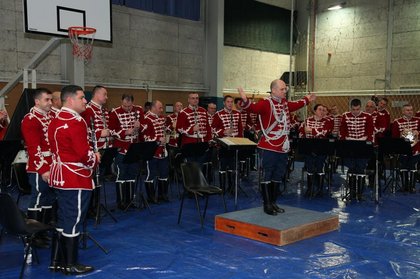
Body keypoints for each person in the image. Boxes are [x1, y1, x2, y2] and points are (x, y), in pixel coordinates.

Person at [238, 79, 316, 215]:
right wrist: (245, 100)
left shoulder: (285, 104)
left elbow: (296, 104)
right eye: (282, 89)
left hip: (283, 146)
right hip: (269, 145)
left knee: (278, 175)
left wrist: (307, 99)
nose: (285, 91)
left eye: (285, 89)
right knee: (267, 175)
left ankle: (273, 202)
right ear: (273, 90)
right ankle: (267, 204)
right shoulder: (266, 103)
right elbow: (253, 108)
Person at [48, 85, 100, 274]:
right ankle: (70, 264)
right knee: (74, 219)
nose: (85, 101)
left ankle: (57, 260)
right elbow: (82, 154)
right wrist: (95, 158)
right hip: (74, 178)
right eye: (81, 97)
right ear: (70, 100)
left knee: (63, 219)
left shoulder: (55, 119)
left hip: (60, 177)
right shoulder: (76, 122)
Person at [21, 88, 56, 247]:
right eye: (47, 100)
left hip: (52, 164)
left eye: (51, 99)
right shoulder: (30, 119)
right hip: (38, 167)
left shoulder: (50, 117)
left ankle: (44, 230)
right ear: (37, 102)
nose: (50, 102)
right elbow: (34, 149)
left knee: (48, 198)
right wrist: (43, 169)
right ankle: (33, 236)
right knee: (38, 198)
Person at [81, 85, 113, 215]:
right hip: (94, 151)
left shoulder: (104, 111)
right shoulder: (88, 110)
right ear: (97, 94)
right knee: (92, 180)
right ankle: (89, 208)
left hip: (105, 149)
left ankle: (95, 205)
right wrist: (100, 133)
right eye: (104, 94)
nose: (106, 97)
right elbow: (84, 132)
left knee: (99, 180)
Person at [109, 94, 144, 210]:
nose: (128, 108)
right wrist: (125, 132)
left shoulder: (138, 110)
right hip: (121, 148)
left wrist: (140, 126)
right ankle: (121, 202)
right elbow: (112, 130)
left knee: (132, 174)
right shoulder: (115, 112)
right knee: (121, 175)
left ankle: (130, 200)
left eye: (129, 106)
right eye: (125, 106)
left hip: (135, 149)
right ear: (121, 102)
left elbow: (146, 126)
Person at [340, 98, 374, 201]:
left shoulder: (368, 116)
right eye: (353, 109)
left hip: (363, 147)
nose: (355, 111)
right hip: (349, 146)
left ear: (360, 108)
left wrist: (365, 141)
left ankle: (360, 192)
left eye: (357, 109)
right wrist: (346, 140)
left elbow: (370, 132)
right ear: (351, 108)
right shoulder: (345, 116)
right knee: (351, 168)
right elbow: (342, 131)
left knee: (360, 169)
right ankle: (352, 192)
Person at [299, 104, 333, 197]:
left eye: (323, 110)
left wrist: (310, 131)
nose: (322, 112)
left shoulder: (327, 121)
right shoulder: (307, 121)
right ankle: (310, 189)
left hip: (321, 148)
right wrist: (312, 131)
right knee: (309, 167)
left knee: (320, 167)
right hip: (309, 147)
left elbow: (324, 132)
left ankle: (320, 189)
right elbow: (301, 131)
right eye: (320, 110)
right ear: (315, 111)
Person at [212, 95, 243, 192]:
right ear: (224, 103)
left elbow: (240, 130)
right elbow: (213, 129)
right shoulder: (218, 114)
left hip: (235, 144)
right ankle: (222, 188)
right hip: (223, 144)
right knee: (223, 166)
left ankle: (232, 187)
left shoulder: (237, 114)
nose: (230, 104)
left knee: (233, 166)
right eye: (228, 102)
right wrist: (223, 132)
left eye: (231, 102)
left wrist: (240, 142)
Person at [141, 100, 170, 203]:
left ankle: (163, 195)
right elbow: (144, 137)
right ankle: (151, 197)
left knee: (164, 173)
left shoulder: (162, 118)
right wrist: (157, 139)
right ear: (153, 108)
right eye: (160, 108)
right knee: (151, 174)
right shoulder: (146, 118)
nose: (162, 110)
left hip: (163, 150)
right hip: (152, 151)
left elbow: (164, 130)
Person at [176, 92, 212, 164]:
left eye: (196, 98)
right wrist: (192, 129)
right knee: (191, 168)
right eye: (193, 98)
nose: (195, 100)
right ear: (188, 100)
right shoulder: (183, 112)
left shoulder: (203, 111)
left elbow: (207, 127)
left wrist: (209, 139)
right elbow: (179, 128)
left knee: (201, 167)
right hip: (189, 144)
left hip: (202, 144)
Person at [392, 104, 420, 193]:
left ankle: (412, 187)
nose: (410, 111)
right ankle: (404, 186)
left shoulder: (418, 120)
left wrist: (418, 132)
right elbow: (394, 137)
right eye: (407, 110)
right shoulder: (397, 122)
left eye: (411, 110)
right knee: (403, 166)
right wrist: (401, 134)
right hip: (402, 149)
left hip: (415, 148)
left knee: (412, 167)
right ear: (403, 111)